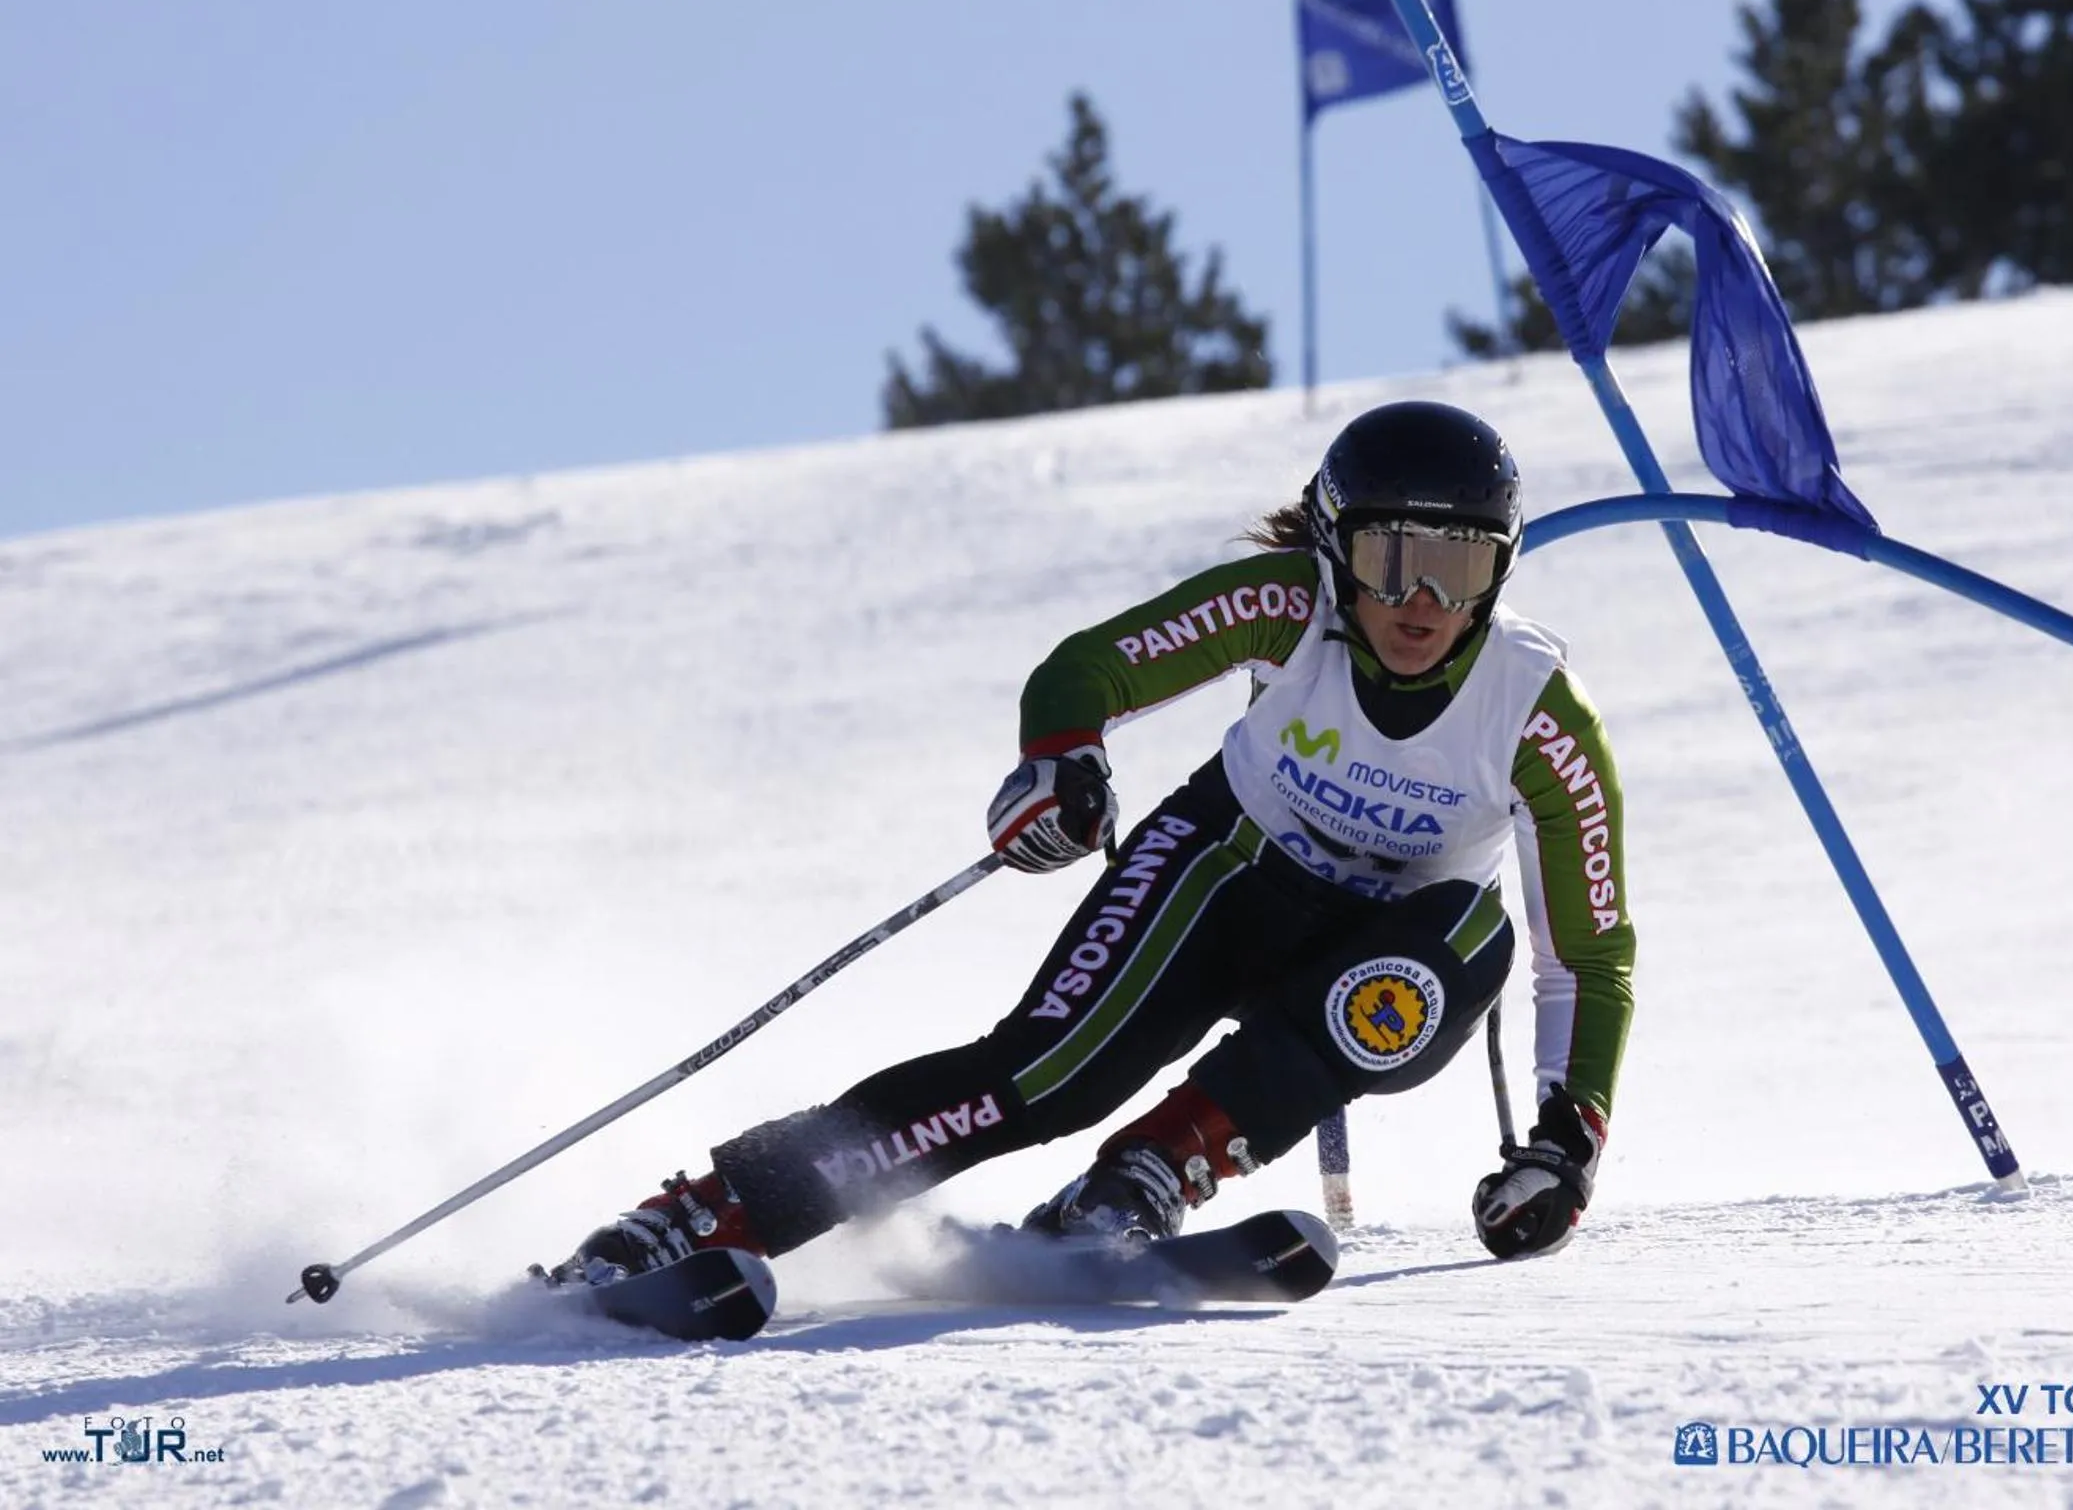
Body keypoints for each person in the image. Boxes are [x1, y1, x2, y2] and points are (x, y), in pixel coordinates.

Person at [546, 399, 1636, 1282]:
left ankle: (1145, 1177)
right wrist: (1064, 759)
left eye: (1461, 565)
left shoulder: (1538, 712)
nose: (1422, 600)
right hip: (1220, 869)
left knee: (1461, 943)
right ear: (1335, 546)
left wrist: (1564, 1143)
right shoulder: (1285, 604)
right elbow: (1092, 667)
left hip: (1367, 946)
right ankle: (709, 1212)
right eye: (1393, 556)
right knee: (1042, 1077)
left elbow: (1586, 955)